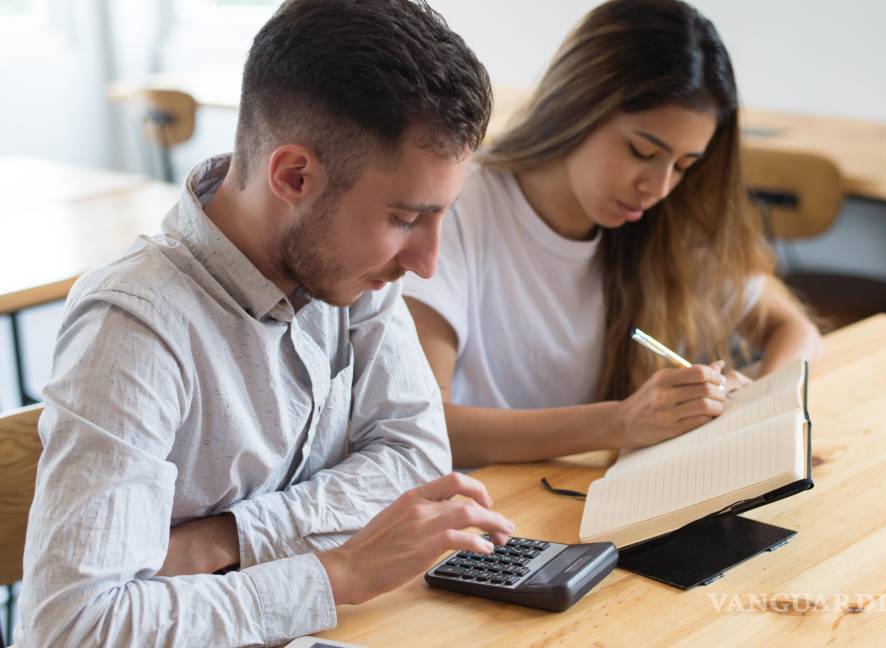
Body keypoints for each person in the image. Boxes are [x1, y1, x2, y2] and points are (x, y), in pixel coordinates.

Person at [17, 1, 514, 646]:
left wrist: (222, 540)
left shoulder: (352, 272)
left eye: (440, 215)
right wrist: (336, 572)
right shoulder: (135, 327)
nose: (426, 262)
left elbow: (417, 465)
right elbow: (74, 629)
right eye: (405, 217)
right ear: (293, 176)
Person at [404, 0, 822, 468]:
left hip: (571, 499)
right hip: (478, 512)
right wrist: (619, 423)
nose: (658, 187)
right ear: (579, 106)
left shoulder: (657, 224)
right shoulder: (459, 209)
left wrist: (760, 404)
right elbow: (428, 425)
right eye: (642, 151)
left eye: (684, 166)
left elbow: (796, 329)